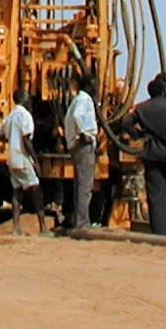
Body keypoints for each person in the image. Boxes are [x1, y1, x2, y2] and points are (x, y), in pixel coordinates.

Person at [121, 72, 166, 235]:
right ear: (163, 91)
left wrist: (139, 135)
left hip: (152, 155)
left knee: (156, 195)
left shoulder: (142, 108)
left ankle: (159, 232)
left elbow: (126, 124)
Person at [0, 90, 40, 235]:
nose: (30, 101)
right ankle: (43, 227)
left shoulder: (10, 116)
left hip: (12, 159)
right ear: (22, 99)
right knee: (36, 190)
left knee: (17, 192)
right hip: (23, 159)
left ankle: (16, 228)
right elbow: (26, 140)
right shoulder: (25, 116)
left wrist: (10, 140)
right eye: (28, 98)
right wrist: (36, 161)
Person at [64, 74, 101, 229]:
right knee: (86, 185)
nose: (96, 87)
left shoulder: (77, 100)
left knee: (80, 184)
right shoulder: (85, 100)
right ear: (88, 85)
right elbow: (77, 116)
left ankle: (79, 219)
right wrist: (84, 133)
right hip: (84, 145)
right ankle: (82, 222)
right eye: (94, 84)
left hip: (77, 144)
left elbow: (68, 118)